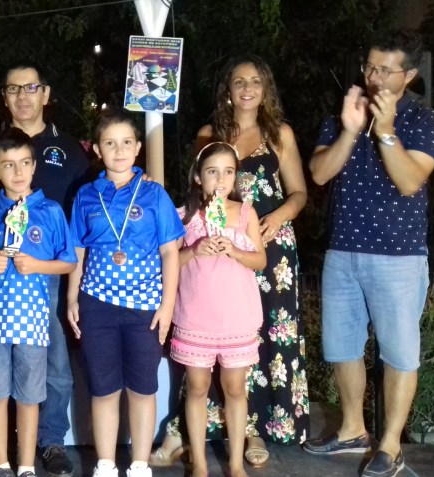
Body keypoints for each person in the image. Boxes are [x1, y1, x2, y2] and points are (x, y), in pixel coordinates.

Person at [151, 54, 308, 468]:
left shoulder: (279, 133)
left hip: (266, 246)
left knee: (264, 340)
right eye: (239, 81)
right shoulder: (209, 134)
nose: (247, 89)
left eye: (255, 81)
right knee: (205, 341)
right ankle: (191, 433)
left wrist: (278, 216)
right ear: (227, 90)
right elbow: (194, 186)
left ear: (266, 88)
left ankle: (255, 430)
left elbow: (299, 192)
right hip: (211, 252)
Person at [302, 31, 434, 477]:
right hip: (343, 250)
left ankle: (391, 445)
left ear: (409, 75)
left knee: (399, 353)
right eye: (369, 66)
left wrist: (384, 132)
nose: (373, 76)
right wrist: (350, 129)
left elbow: (410, 180)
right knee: (341, 346)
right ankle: (352, 430)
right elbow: (319, 174)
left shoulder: (421, 120)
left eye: (384, 69)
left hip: (398, 255)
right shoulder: (344, 113)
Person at [0, 62, 91, 477]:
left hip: (45, 276)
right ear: (4, 96)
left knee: (52, 365)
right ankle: (1, 453)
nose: (22, 96)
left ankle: (49, 442)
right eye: (14, 89)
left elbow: (83, 209)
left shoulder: (69, 148)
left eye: (31, 87)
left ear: (45, 94)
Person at [67, 110, 184, 477]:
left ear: (137, 147)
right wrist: (72, 297)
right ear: (97, 150)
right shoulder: (86, 195)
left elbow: (170, 252)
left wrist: (167, 306)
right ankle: (105, 464)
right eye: (110, 143)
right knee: (103, 389)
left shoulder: (154, 193)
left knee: (142, 388)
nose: (119, 150)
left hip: (145, 307)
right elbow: (78, 251)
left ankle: (139, 465)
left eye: (126, 142)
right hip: (97, 304)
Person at [172, 141, 267, 477]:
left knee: (235, 389)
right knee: (197, 388)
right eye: (212, 172)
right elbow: (171, 262)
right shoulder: (184, 216)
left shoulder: (245, 213)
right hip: (196, 318)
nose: (221, 179)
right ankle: (199, 463)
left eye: (228, 172)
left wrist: (235, 251)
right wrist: (195, 250)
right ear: (199, 177)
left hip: (236, 319)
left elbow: (260, 260)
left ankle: (236, 464)